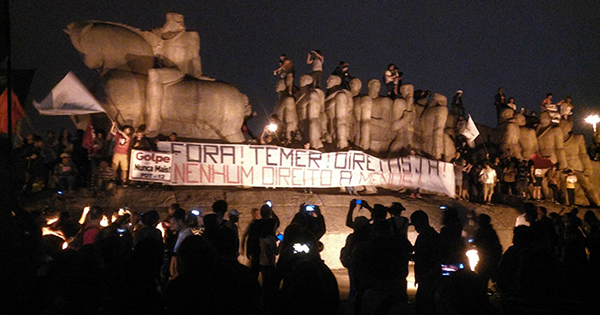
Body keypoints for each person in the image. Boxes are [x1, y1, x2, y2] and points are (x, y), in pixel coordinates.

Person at [411, 210, 443, 315]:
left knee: (424, 306)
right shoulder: (435, 236)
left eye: (415, 224)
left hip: (427, 277)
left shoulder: (424, 237)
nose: (415, 228)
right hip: (431, 277)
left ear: (420, 222)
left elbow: (423, 256)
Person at [471, 213, 503, 288]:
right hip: (492, 260)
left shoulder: (481, 232)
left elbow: (474, 242)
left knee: (482, 280)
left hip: (485, 260)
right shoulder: (491, 232)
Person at [170, 208, 192, 279]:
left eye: (174, 223)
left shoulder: (187, 235)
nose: (172, 225)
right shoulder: (179, 233)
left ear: (180, 221)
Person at [110, 122, 134, 187]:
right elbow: (112, 132)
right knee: (114, 167)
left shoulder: (129, 136)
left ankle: (124, 180)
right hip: (117, 153)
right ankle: (114, 179)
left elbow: (128, 139)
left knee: (124, 168)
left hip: (124, 154)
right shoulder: (119, 135)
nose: (128, 131)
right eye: (127, 129)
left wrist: (121, 133)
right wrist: (113, 125)